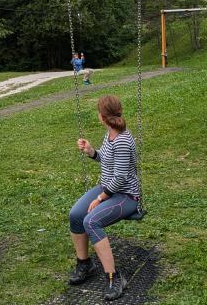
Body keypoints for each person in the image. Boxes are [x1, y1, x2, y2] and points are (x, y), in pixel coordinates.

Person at [68, 95, 142, 301]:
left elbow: (120, 178)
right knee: (75, 215)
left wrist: (100, 198)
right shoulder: (110, 134)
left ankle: (114, 277)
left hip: (125, 195)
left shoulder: (123, 141)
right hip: (108, 188)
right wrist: (92, 152)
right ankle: (85, 264)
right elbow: (106, 161)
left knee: (91, 221)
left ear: (102, 116)